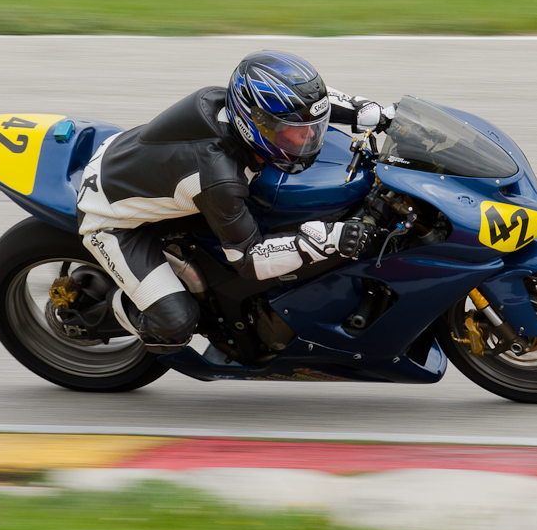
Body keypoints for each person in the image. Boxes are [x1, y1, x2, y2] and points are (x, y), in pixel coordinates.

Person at [75, 50, 394, 352]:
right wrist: (328, 241)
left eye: (313, 127)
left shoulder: (237, 104)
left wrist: (368, 111)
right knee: (175, 324)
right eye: (294, 131)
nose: (309, 137)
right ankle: (102, 311)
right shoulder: (221, 179)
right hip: (112, 219)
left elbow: (309, 103)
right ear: (257, 126)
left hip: (145, 169)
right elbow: (249, 261)